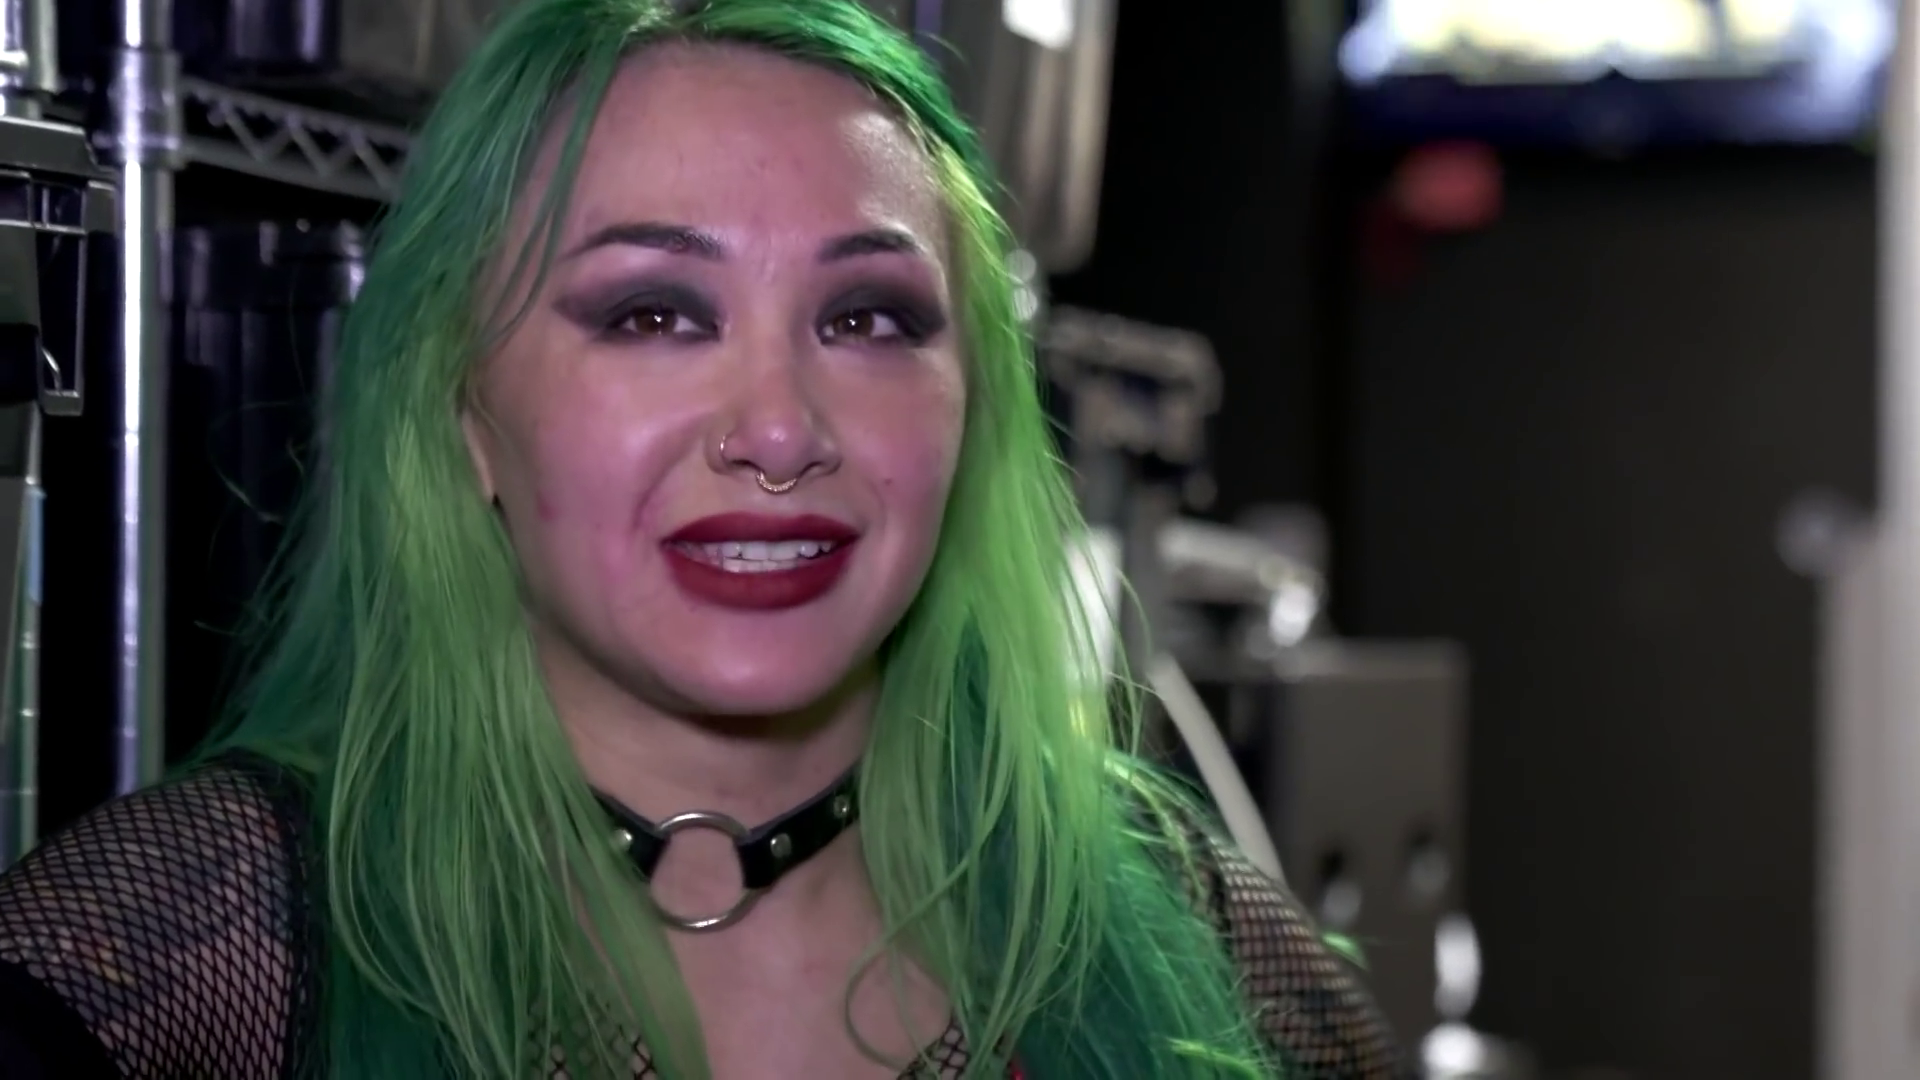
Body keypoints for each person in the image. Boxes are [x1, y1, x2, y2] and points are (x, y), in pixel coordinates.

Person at [0, 1, 1404, 1076]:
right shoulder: (186, 950)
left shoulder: (1193, 933)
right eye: (654, 314)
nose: (779, 430)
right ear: (464, 409)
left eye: (868, 319)